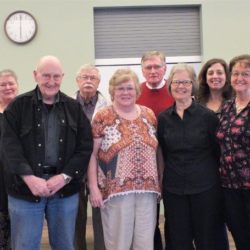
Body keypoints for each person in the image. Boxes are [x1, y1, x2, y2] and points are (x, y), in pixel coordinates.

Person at [1, 55, 93, 250]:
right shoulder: (17, 107)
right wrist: (29, 178)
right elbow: (9, 147)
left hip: (64, 191)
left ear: (62, 77)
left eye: (56, 76)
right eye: (46, 76)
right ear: (36, 75)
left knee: (65, 245)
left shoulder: (74, 108)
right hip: (24, 191)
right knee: (25, 246)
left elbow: (84, 147)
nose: (51, 82)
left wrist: (65, 177)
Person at [88, 68, 161, 250]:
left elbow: (157, 151)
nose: (125, 93)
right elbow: (91, 154)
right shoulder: (102, 116)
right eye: (120, 88)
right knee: (118, 243)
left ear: (137, 90)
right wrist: (93, 187)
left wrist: (160, 182)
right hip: (115, 193)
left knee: (145, 243)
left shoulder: (149, 115)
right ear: (112, 91)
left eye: (129, 88)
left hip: (147, 191)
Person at [158, 64, 221, 250]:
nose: (181, 86)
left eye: (185, 82)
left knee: (207, 238)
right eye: (176, 82)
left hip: (205, 187)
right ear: (170, 85)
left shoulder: (208, 117)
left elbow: (217, 151)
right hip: (174, 189)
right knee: (178, 240)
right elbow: (163, 151)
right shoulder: (163, 118)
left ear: (193, 85)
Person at [136, 50, 174, 250]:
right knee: (149, 216)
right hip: (146, 165)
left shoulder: (175, 90)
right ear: (142, 70)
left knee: (175, 215)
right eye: (148, 67)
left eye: (157, 66)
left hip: (175, 162)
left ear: (165, 68)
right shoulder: (135, 92)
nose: (153, 71)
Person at [197, 58, 233, 250]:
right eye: (210, 73)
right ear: (204, 77)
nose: (215, 77)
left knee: (234, 221)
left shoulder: (235, 102)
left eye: (219, 72)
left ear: (226, 77)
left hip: (231, 170)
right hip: (206, 169)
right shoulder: (197, 103)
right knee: (210, 219)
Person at [216, 54, 250, 250]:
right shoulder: (227, 107)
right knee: (239, 235)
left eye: (245, 73)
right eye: (236, 73)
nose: (239, 78)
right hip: (229, 185)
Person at [74, 64, 107, 250]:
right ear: (77, 81)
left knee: (101, 215)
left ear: (98, 82)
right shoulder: (66, 104)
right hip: (75, 168)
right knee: (75, 217)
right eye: (84, 77)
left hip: (100, 168)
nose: (88, 81)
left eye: (92, 78)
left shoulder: (108, 106)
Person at [0, 69, 18, 250]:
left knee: (21, 230)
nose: (7, 87)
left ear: (17, 86)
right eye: (2, 84)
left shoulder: (25, 110)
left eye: (10, 83)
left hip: (20, 178)